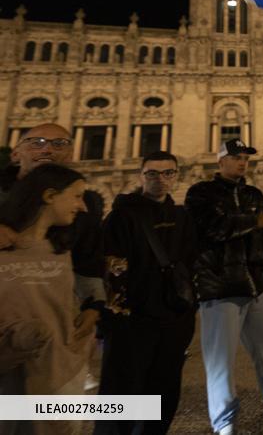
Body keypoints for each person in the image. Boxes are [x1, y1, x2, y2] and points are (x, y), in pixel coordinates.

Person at [185, 139, 263, 435]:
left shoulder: (254, 194)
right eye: (236, 157)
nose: (242, 162)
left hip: (258, 286)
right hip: (220, 288)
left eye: (246, 159)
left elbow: (262, 234)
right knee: (221, 362)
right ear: (220, 161)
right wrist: (254, 221)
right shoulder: (200, 193)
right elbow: (211, 229)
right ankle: (224, 423)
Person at [95, 151, 197, 435]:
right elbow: (112, 270)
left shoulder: (182, 216)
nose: (160, 179)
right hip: (132, 322)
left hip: (173, 320)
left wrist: (189, 310)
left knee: (163, 394)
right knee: (122, 395)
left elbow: (191, 262)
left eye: (168, 173)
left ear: (176, 176)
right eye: (152, 173)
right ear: (140, 176)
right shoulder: (121, 216)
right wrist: (113, 320)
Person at [0, 123, 105, 390]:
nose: (47, 149)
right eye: (37, 142)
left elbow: (89, 258)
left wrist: (94, 306)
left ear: (71, 153)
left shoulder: (84, 204)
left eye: (59, 144)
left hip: (54, 339)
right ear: (15, 153)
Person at [0, 164, 90, 435]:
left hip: (54, 380)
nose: (83, 206)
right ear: (50, 195)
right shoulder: (5, 245)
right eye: (77, 196)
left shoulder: (61, 250)